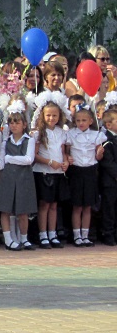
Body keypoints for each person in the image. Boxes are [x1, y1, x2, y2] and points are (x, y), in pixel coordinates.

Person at [0, 103, 37, 251]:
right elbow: (1, 165)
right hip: (8, 178)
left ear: (24, 124)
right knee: (5, 209)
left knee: (23, 211)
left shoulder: (29, 140)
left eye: (17, 122)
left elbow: (29, 159)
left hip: (23, 178)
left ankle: (24, 238)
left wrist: (9, 158)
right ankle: (8, 239)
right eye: (11, 122)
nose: (14, 125)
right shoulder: (5, 142)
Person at [31, 93, 71, 248]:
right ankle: (42, 234)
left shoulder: (62, 132)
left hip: (58, 172)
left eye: (54, 115)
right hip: (43, 172)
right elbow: (34, 155)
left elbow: (63, 151)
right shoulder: (38, 133)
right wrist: (49, 162)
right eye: (48, 115)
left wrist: (65, 161)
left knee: (54, 205)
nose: (51, 118)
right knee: (44, 204)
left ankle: (52, 234)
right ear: (43, 115)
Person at [66, 105, 105, 247]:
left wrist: (99, 153)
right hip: (76, 171)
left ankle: (85, 235)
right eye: (78, 120)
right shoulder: (70, 134)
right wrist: (68, 157)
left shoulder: (96, 135)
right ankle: (76, 235)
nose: (81, 123)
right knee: (77, 206)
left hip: (90, 172)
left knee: (87, 206)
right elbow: (67, 151)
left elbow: (98, 157)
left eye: (84, 120)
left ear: (90, 121)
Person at [98, 109, 117, 246]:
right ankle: (107, 233)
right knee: (109, 208)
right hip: (110, 182)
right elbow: (108, 163)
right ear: (109, 125)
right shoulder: (107, 141)